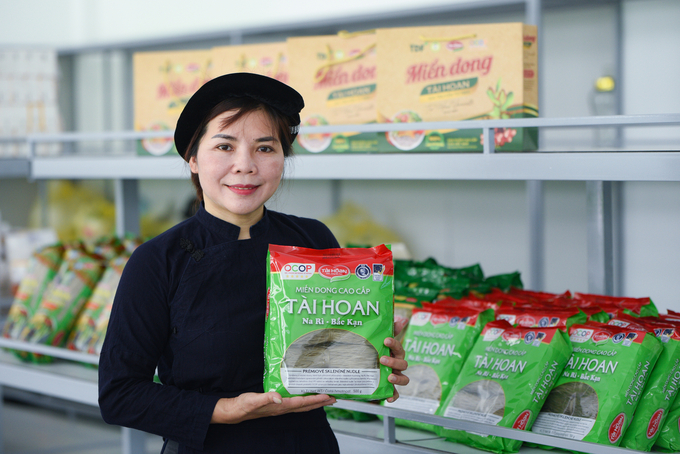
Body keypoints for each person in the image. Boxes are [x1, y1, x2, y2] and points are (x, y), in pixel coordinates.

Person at [98, 73, 409, 454]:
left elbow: (327, 359)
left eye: (265, 148)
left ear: (283, 158)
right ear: (192, 158)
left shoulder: (312, 240)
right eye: (224, 147)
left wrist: (370, 360)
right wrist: (224, 409)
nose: (245, 165)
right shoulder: (158, 261)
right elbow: (119, 394)